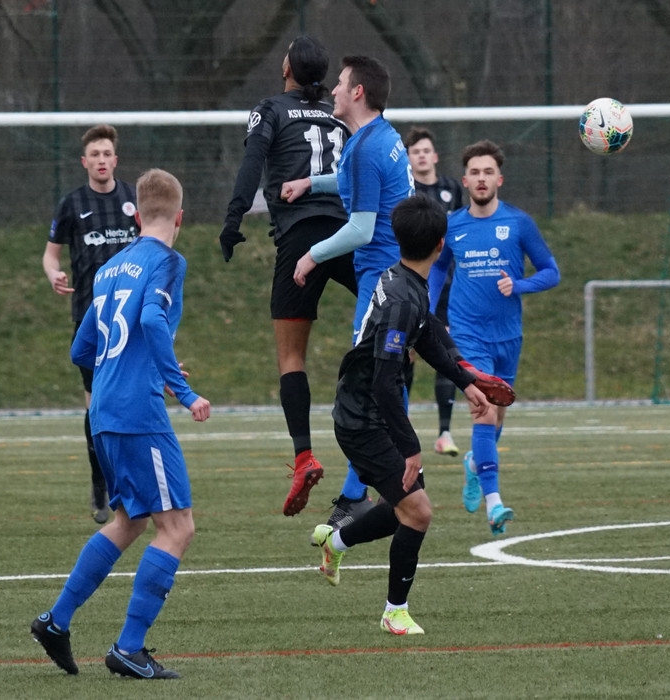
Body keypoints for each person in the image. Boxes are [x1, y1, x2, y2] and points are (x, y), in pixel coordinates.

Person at [31, 168, 210, 680]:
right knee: (177, 527)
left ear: (136, 217)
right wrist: (182, 389)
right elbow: (151, 320)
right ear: (179, 217)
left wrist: (142, 365)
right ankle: (129, 648)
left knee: (129, 520)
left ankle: (55, 622)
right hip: (137, 413)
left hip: (104, 410)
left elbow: (81, 349)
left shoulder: (111, 267)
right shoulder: (168, 261)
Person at [309, 194, 490, 635]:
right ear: (441, 246)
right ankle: (394, 612)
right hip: (362, 420)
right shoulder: (403, 300)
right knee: (418, 512)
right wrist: (410, 447)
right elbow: (384, 382)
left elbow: (426, 337)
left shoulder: (404, 279)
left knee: (404, 506)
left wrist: (466, 382)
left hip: (368, 412)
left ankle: (336, 542)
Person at [219, 36, 355, 518]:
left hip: (300, 237)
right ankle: (455, 368)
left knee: (291, 356)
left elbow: (251, 165)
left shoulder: (270, 109)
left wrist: (233, 219)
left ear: (287, 69)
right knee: (393, 318)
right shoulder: (340, 114)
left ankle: (304, 456)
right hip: (347, 233)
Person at [281, 54, 413, 529]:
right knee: (385, 381)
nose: (332, 90)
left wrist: (312, 255)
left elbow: (361, 227)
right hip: (399, 277)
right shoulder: (381, 137)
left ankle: (363, 492)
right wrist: (310, 183)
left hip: (381, 283)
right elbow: (356, 182)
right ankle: (389, 478)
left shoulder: (365, 148)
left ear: (358, 92)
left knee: (364, 390)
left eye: (340, 84)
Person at [428, 139, 560, 535]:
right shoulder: (451, 225)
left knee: (498, 414)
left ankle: (474, 462)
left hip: (508, 336)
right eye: (475, 172)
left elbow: (551, 271)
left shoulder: (518, 223)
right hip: (467, 334)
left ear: (499, 179)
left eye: (489, 172)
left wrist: (519, 286)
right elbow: (437, 270)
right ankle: (494, 503)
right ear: (465, 181)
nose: (482, 178)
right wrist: (427, 312)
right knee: (484, 408)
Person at [42, 124, 140, 525]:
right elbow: (51, 255)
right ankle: (100, 483)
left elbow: (156, 243)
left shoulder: (134, 199)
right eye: (94, 155)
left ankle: (130, 484)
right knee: (97, 404)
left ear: (116, 160)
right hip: (90, 320)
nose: (101, 160)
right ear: (85, 162)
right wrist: (53, 273)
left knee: (132, 402)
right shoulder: (72, 203)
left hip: (131, 319)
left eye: (107, 154)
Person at [403, 126, 465, 457]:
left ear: (435, 156)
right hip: (411, 283)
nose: (422, 156)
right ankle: (402, 420)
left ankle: (444, 432)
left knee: (445, 352)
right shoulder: (404, 189)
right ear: (409, 158)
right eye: (416, 152)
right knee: (405, 352)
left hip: (445, 286)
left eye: (426, 150)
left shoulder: (451, 189)